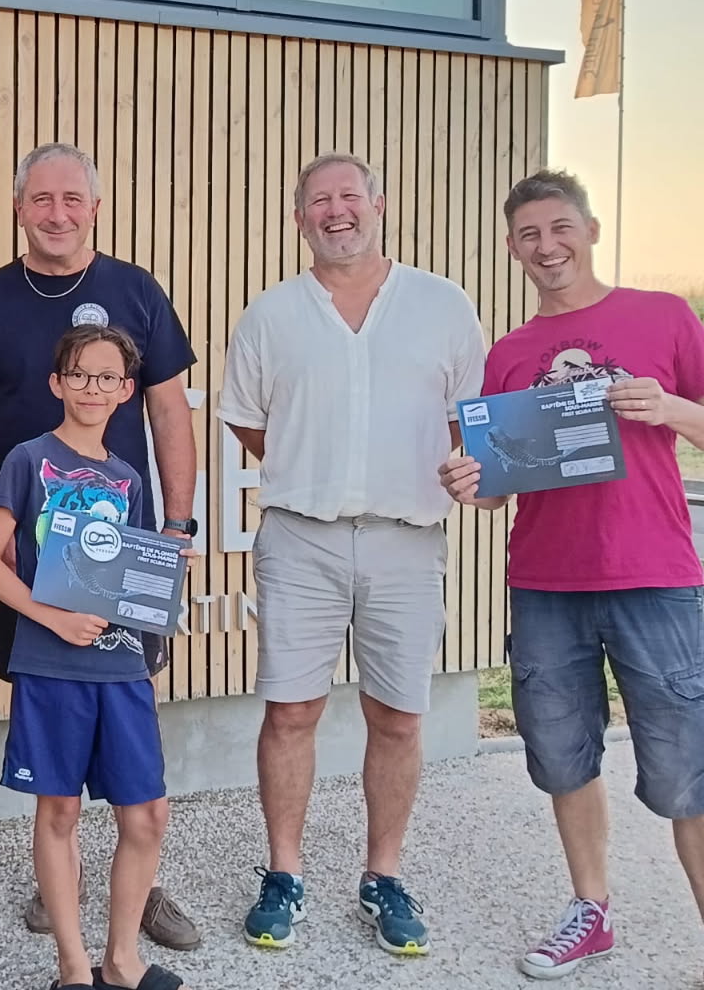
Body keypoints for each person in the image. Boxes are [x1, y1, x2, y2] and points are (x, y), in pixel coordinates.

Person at [438, 170, 704, 981]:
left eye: (560, 228)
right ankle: (592, 910)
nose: (546, 246)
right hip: (547, 583)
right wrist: (470, 483)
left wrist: (671, 408)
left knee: (687, 768)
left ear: (590, 230)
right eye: (529, 235)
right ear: (512, 248)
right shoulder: (511, 354)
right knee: (561, 755)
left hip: (656, 577)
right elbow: (498, 485)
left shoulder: (664, 317)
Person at [219, 152, 486, 956]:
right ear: (299, 218)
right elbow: (252, 424)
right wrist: (322, 468)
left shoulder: (443, 305)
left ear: (380, 203)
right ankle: (284, 873)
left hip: (408, 537)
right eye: (319, 201)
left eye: (349, 196)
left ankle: (384, 876)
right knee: (290, 711)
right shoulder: (271, 314)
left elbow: (467, 417)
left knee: (398, 716)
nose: (336, 211)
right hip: (301, 536)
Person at [0, 142, 202, 948]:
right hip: (33, 558)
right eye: (42, 200)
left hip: (126, 556)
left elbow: (170, 414)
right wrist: (3, 529)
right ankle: (64, 882)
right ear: (19, 208)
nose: (57, 214)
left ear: (95, 208)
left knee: (130, 707)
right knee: (55, 707)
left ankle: (137, 887)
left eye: (72, 199)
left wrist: (177, 526)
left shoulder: (137, 291)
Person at [0, 324, 186, 990]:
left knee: (147, 813)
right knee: (59, 811)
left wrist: (164, 573)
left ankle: (121, 961)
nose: (93, 387)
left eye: (108, 377)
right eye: (80, 374)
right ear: (57, 383)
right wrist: (52, 618)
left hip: (121, 664)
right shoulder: (27, 460)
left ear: (126, 390)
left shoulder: (128, 477)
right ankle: (72, 968)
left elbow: (124, 574)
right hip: (50, 664)